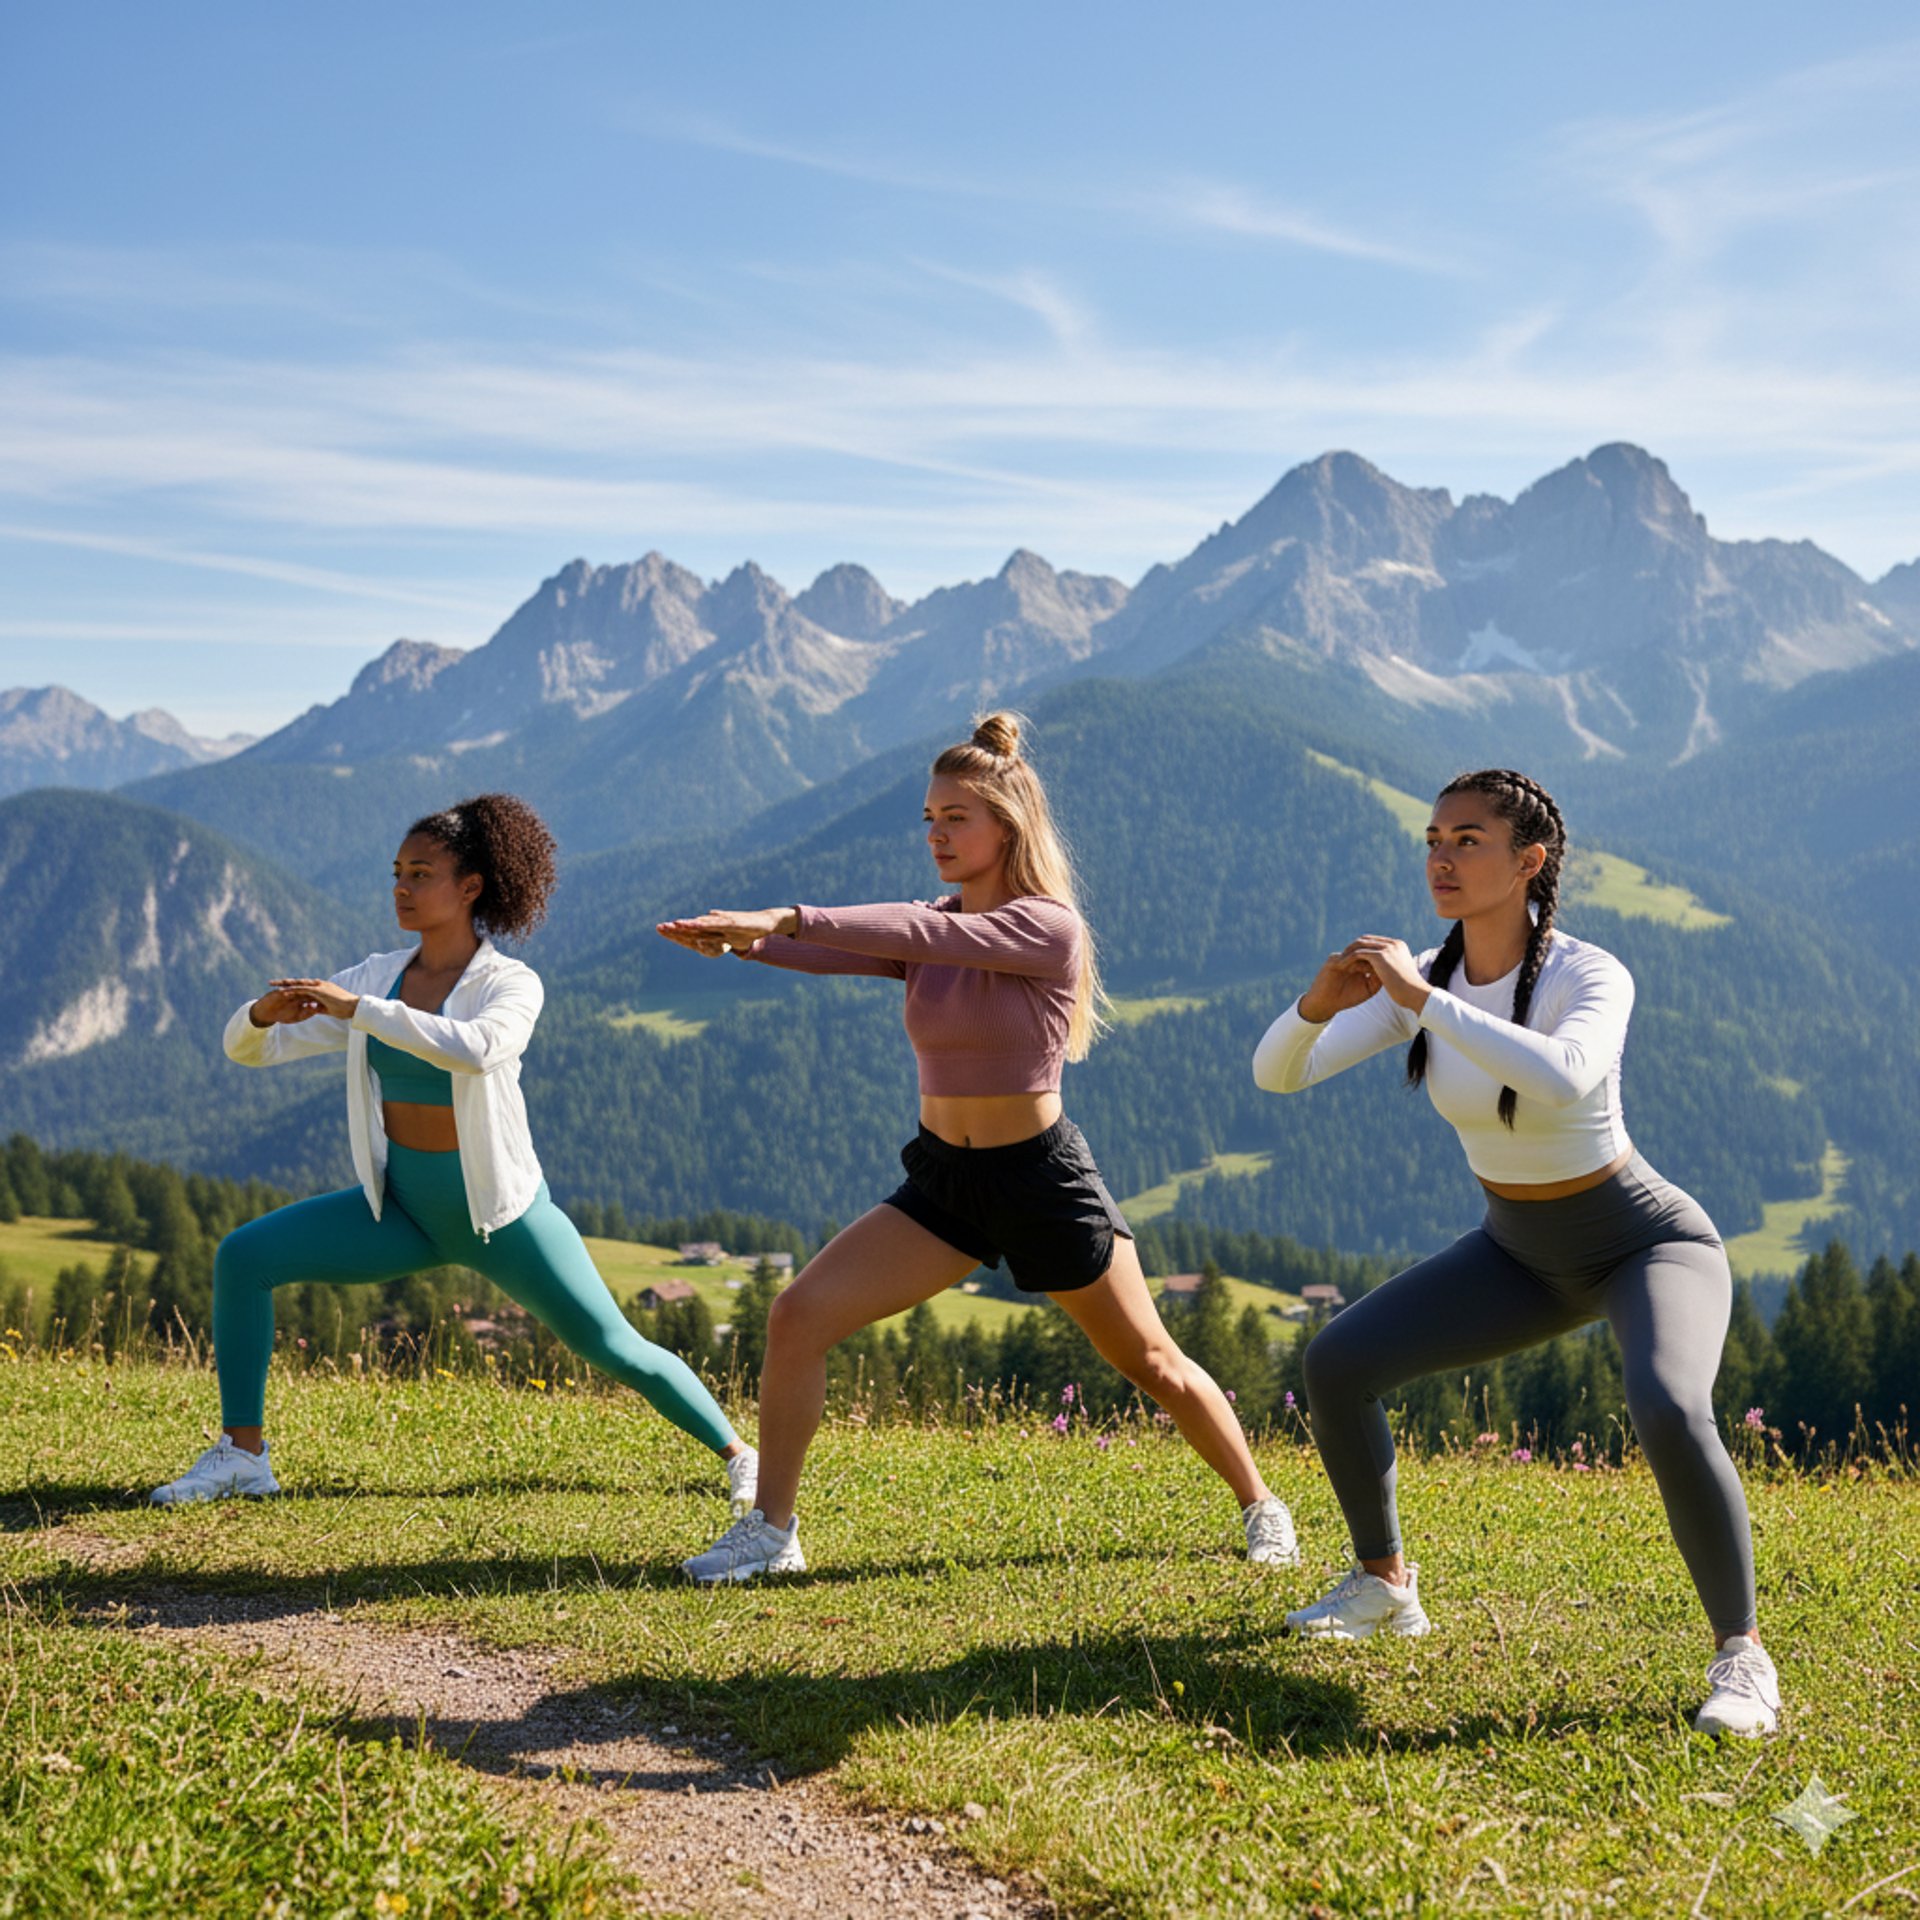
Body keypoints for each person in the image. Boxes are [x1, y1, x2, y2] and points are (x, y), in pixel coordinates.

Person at [658, 712, 1299, 1584]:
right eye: (930, 818)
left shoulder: (1046, 928)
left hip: (1039, 1181)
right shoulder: (933, 925)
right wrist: (745, 942)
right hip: (946, 1182)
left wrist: (786, 915)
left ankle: (1262, 1506)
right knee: (796, 1317)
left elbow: (914, 935)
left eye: (956, 818)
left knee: (1152, 1361)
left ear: (1009, 826)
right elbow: (857, 947)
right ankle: (772, 1531)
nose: (936, 834)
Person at [1251, 767, 1778, 1737]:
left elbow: (1566, 1077)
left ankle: (1742, 1658)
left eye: (1467, 841)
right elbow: (1278, 1075)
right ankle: (1384, 1587)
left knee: (1668, 1405)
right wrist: (1316, 1005)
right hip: (1519, 1254)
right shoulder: (1426, 978)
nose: (1440, 860)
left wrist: (1423, 999)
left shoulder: (1587, 973)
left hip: (1645, 1244)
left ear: (1529, 861)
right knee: (1337, 1362)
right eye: (1433, 840)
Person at [150, 793, 757, 1514]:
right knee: (243, 1257)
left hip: (502, 1218)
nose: (402, 889)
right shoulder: (377, 976)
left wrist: (361, 1012)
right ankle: (244, 1456)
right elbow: (251, 1051)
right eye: (397, 874)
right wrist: (259, 1015)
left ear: (471, 887)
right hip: (405, 1210)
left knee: (614, 1346)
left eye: (421, 874)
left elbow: (479, 1049)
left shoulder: (508, 983)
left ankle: (743, 1458)